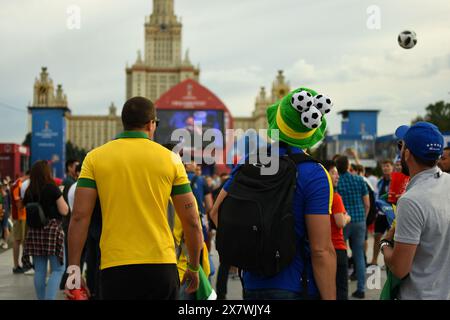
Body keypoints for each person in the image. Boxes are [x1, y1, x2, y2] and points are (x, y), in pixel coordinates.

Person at [65, 96, 203, 300]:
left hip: (115, 267)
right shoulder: (171, 159)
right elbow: (192, 221)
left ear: (124, 123)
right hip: (161, 265)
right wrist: (193, 266)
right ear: (150, 124)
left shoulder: (94, 158)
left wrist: (74, 270)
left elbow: (79, 217)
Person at [211, 86, 337, 300]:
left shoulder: (250, 161)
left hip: (252, 284)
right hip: (296, 285)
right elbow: (321, 250)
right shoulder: (315, 174)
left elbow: (216, 213)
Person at [382, 122, 450, 300]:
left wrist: (385, 244)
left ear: (407, 153)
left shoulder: (411, 201)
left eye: (401, 145)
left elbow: (399, 268)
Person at [22, 160, 69, 300]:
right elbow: (65, 210)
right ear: (46, 172)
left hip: (34, 232)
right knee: (58, 269)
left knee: (40, 271)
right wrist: (59, 195)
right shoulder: (51, 187)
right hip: (51, 231)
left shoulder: (30, 190)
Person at [66, 163, 102, 299]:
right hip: (158, 259)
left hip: (110, 261)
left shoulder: (94, 160)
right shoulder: (167, 159)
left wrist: (73, 273)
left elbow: (78, 218)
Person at [336, 156, 370, 299]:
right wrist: (364, 218)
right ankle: (361, 289)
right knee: (359, 256)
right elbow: (367, 203)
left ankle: (340, 287)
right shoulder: (359, 180)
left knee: (341, 256)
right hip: (360, 221)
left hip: (343, 222)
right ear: (349, 165)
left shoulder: (338, 182)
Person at [323, 160, 351, 300]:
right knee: (341, 290)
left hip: (321, 250)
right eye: (333, 173)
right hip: (337, 248)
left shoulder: (317, 197)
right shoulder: (335, 197)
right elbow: (340, 222)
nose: (337, 176)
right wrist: (347, 217)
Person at [371, 160, 394, 267]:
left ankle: (389, 262)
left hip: (391, 214)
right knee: (377, 237)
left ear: (392, 168)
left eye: (388, 166)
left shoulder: (395, 181)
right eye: (384, 166)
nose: (385, 168)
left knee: (391, 240)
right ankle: (374, 260)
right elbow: (376, 196)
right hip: (380, 214)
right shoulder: (379, 182)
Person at [10, 173, 29, 274]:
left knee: (20, 240)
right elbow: (19, 204)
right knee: (20, 240)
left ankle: (19, 264)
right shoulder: (18, 184)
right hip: (20, 216)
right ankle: (19, 264)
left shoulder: (17, 183)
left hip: (20, 216)